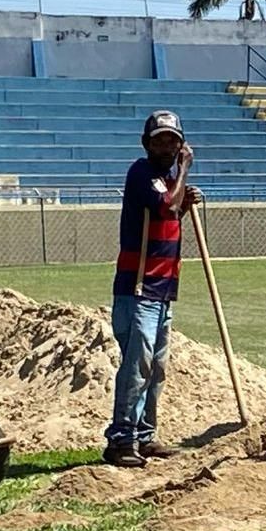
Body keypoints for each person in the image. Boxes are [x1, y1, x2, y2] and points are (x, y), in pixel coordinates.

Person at [103, 109, 201, 469]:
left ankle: (145, 436)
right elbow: (163, 208)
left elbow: (171, 215)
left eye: (172, 139)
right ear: (147, 143)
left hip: (163, 289)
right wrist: (185, 172)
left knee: (156, 367)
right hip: (138, 288)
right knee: (136, 366)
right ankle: (121, 438)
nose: (166, 145)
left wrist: (184, 204)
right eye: (159, 139)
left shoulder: (167, 178)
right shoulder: (142, 173)